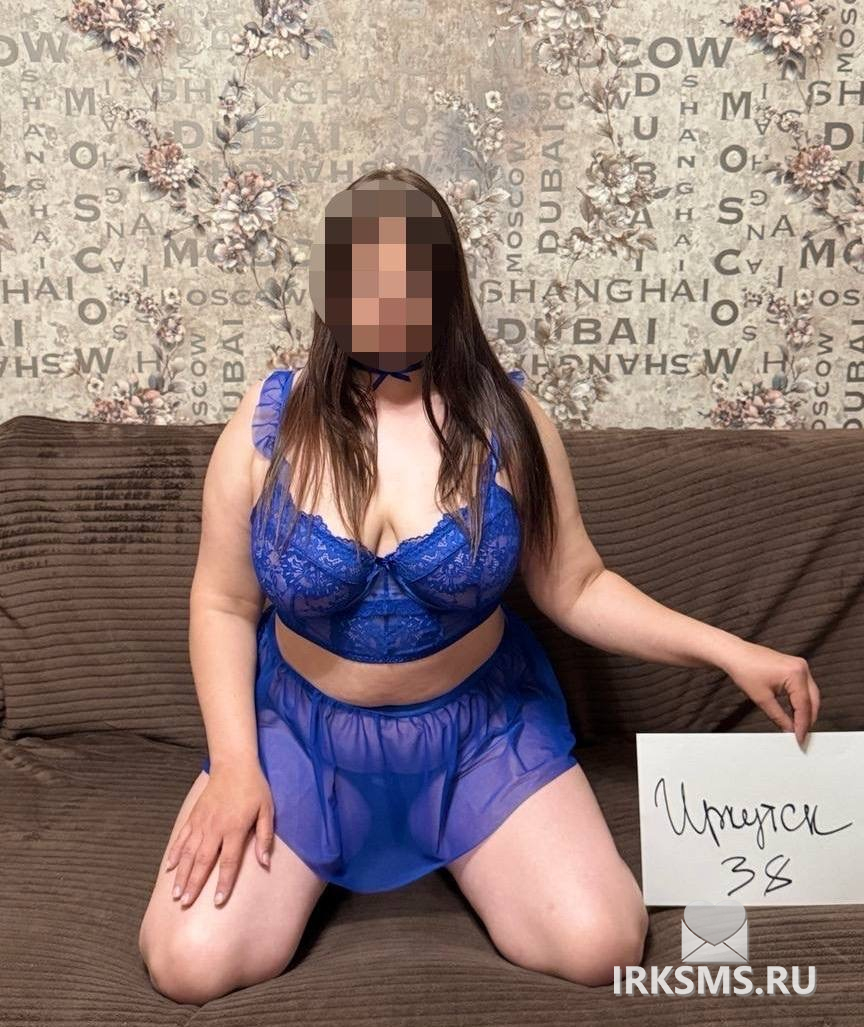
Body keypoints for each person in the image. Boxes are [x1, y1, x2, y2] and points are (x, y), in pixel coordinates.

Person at [137, 166, 820, 1003]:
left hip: (478, 737)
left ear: (444, 283)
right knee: (189, 963)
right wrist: (238, 765)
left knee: (600, 945)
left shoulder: (511, 423)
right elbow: (222, 602)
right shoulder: (267, 423)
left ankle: (469, 837)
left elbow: (577, 584)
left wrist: (730, 651)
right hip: (299, 740)